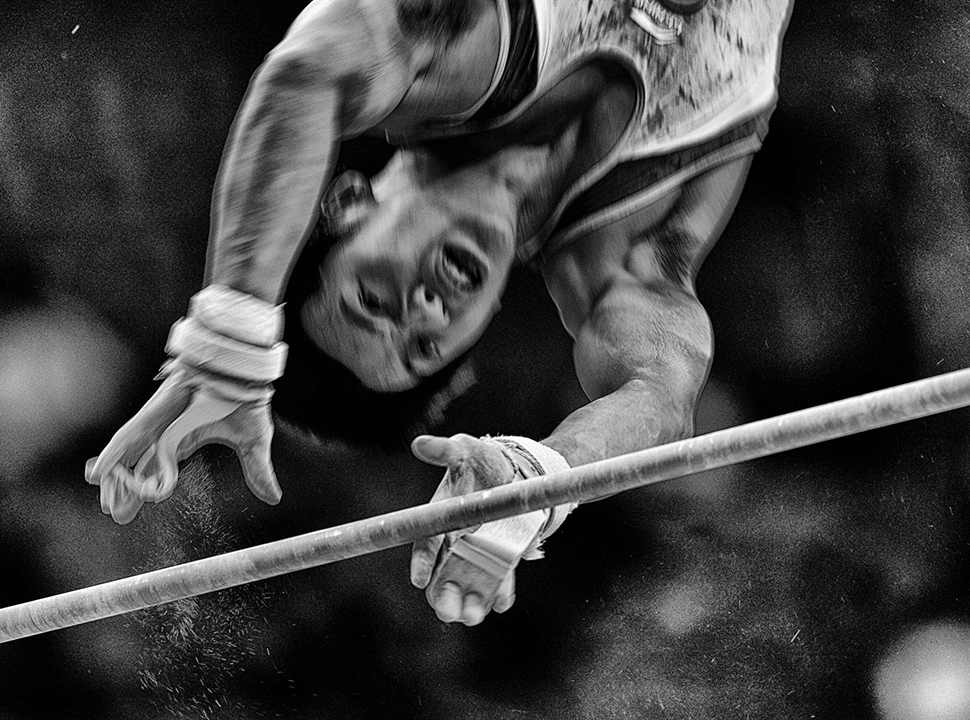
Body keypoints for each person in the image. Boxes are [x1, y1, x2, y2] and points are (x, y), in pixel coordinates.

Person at [85, 0, 794, 626]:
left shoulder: (448, 53)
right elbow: (662, 391)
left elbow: (309, 70)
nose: (424, 311)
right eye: (424, 348)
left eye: (372, 300)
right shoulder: (624, 252)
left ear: (349, 203)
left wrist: (232, 335)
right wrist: (542, 477)